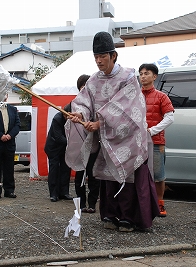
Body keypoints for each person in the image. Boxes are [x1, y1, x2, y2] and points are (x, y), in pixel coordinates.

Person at [65, 31, 159, 232]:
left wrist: (99, 124)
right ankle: (110, 214)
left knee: (127, 177)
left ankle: (128, 217)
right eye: (96, 57)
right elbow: (83, 102)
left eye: (103, 57)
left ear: (113, 56)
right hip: (107, 138)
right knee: (107, 177)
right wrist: (80, 115)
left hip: (128, 138)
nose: (99, 61)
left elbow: (128, 109)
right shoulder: (93, 80)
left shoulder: (128, 77)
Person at [139, 63, 175, 217]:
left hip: (156, 142)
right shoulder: (135, 96)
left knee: (158, 175)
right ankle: (143, 203)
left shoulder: (161, 96)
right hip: (138, 142)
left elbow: (170, 117)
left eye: (146, 73)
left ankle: (160, 204)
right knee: (140, 174)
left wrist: (152, 131)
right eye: (141, 74)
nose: (143, 76)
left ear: (154, 76)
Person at [73, 74, 100, 213]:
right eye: (82, 88)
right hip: (81, 146)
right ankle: (81, 203)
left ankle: (92, 203)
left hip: (95, 146)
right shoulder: (74, 104)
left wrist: (96, 124)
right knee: (79, 176)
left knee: (93, 175)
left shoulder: (98, 103)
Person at [44, 104, 73, 202]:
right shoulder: (57, 119)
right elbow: (58, 137)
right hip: (54, 147)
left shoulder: (73, 119)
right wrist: (72, 142)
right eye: (67, 116)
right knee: (54, 169)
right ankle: (53, 193)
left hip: (65, 148)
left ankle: (64, 192)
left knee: (66, 169)